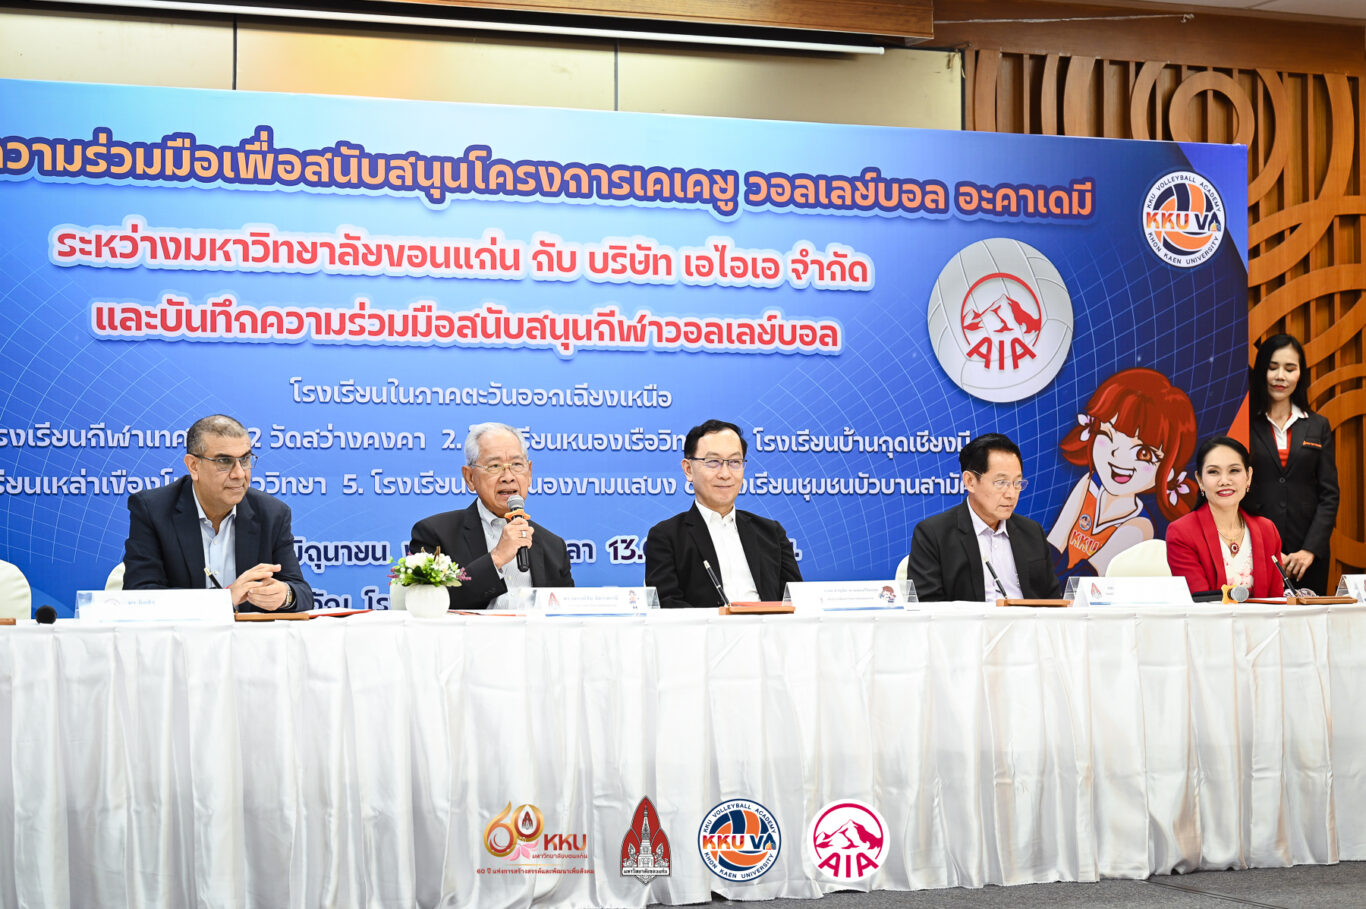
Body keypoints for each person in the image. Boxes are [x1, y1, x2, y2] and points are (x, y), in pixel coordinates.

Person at [122, 414, 312, 613]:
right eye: (224, 461)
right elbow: (141, 596)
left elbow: (302, 592)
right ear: (193, 466)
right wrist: (223, 600)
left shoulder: (272, 513)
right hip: (182, 633)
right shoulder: (153, 510)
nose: (239, 474)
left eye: (245, 459)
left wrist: (284, 595)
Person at [1047, 368, 1198, 577]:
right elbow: (1053, 547)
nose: (1118, 456)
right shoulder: (1089, 484)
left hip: (1092, 594)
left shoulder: (1140, 526)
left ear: (1168, 470)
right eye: (1107, 435)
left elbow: (1090, 578)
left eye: (1143, 453)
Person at [409, 422, 573, 609]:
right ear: (470, 477)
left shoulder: (553, 547)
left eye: (517, 465)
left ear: (529, 474)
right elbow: (428, 605)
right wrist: (497, 557)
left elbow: (565, 615)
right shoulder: (435, 534)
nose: (508, 477)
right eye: (494, 466)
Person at [645, 419, 801, 608]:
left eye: (735, 462)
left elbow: (796, 600)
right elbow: (667, 605)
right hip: (705, 627)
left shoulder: (771, 533)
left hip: (769, 626)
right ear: (688, 469)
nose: (725, 474)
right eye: (713, 462)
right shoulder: (667, 536)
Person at [906, 433, 1061, 602]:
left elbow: (1052, 599)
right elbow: (927, 605)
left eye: (1017, 483)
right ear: (970, 481)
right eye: (1001, 482)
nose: (1011, 494)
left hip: (1029, 619)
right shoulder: (933, 534)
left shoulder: (1032, 532)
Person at [1246, 334, 1339, 594]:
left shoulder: (1318, 425)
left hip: (1307, 558)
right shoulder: (1245, 424)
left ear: (1300, 374)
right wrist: (1266, 548)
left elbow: (1329, 495)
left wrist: (1309, 550)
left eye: (1290, 368)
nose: (1280, 376)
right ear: (1262, 370)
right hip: (1256, 551)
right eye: (1273, 367)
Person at [1166, 436, 1284, 598]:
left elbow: (1276, 600)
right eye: (1213, 472)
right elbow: (1201, 602)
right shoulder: (1181, 532)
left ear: (1248, 476)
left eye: (1234, 470)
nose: (1224, 481)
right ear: (1200, 480)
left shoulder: (1267, 530)